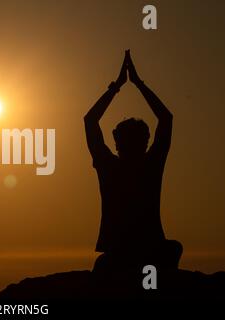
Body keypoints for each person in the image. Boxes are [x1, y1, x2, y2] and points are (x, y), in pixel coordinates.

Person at [84, 50, 182, 272]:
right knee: (173, 249)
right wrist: (138, 84)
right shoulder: (150, 165)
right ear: (146, 142)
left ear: (117, 144)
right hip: (146, 250)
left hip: (124, 251)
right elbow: (166, 119)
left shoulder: (109, 166)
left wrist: (117, 86)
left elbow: (90, 121)